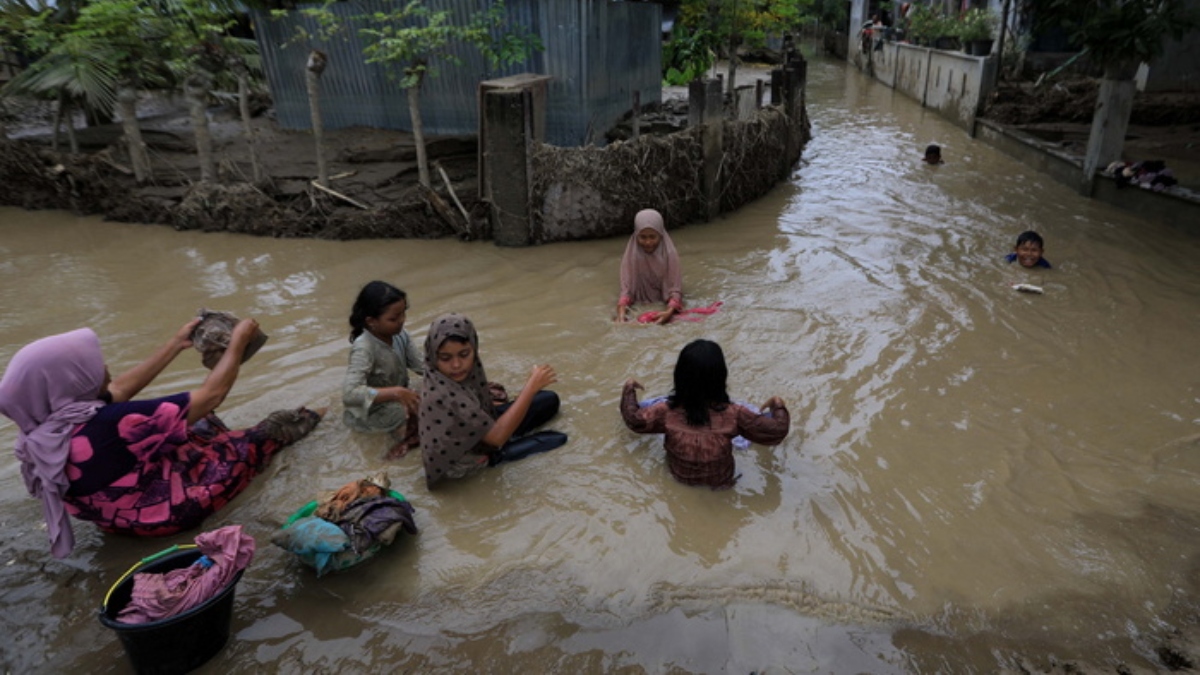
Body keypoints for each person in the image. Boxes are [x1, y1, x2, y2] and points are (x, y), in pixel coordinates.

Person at [0, 319, 324, 558]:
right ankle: (316, 417)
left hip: (113, 518)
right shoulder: (112, 424)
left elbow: (118, 391)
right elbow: (212, 395)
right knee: (264, 431)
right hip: (167, 514)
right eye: (94, 366)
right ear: (72, 380)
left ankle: (215, 454)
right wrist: (237, 343)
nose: (106, 367)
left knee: (194, 423)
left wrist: (174, 344)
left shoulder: (46, 426)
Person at [419, 313, 566, 489]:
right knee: (558, 439)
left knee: (549, 400)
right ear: (433, 356)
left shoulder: (456, 374)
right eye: (445, 358)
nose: (456, 365)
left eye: (464, 354)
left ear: (474, 348)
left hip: (481, 430)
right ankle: (497, 458)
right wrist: (530, 387)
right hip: (471, 460)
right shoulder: (444, 394)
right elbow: (497, 438)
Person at [620, 339, 790, 489]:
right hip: (722, 485)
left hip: (678, 480)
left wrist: (629, 389)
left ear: (679, 376)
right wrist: (777, 404)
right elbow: (777, 431)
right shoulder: (736, 414)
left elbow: (634, 420)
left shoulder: (665, 411)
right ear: (721, 377)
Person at [342, 281, 424, 459]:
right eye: (394, 319)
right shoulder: (364, 347)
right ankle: (397, 446)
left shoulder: (401, 334)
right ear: (371, 321)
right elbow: (350, 394)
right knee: (419, 415)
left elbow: (422, 366)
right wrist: (396, 392)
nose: (401, 321)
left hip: (396, 401)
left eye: (403, 314)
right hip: (371, 414)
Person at [616, 209, 684, 325]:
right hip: (639, 305)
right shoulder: (632, 256)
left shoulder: (669, 255)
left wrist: (669, 312)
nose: (648, 242)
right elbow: (626, 291)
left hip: (662, 304)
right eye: (643, 237)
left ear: (661, 236)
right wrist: (621, 314)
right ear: (636, 236)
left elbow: (675, 291)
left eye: (653, 237)